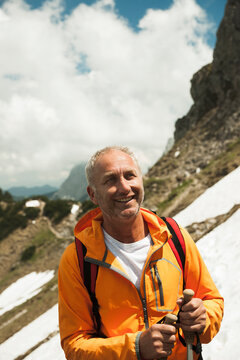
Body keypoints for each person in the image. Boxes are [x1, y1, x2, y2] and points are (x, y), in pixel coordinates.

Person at [58, 146, 224, 360]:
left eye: (130, 176)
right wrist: (136, 348)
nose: (124, 187)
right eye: (110, 180)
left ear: (141, 180)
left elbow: (212, 300)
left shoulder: (174, 237)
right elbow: (74, 345)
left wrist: (204, 318)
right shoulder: (77, 259)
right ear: (93, 195)